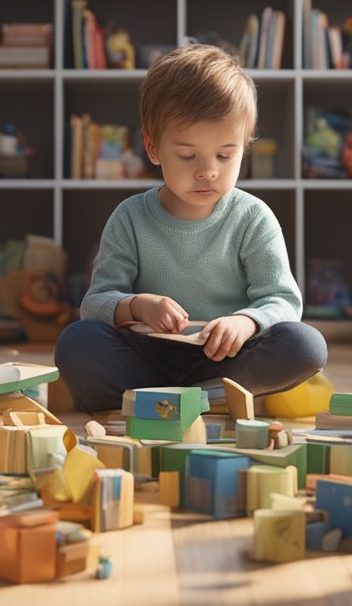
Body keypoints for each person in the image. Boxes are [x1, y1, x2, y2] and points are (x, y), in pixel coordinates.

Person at [55, 44, 328, 413]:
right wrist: (137, 306)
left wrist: (245, 322)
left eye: (225, 155)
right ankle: (193, 400)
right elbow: (96, 303)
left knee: (306, 345)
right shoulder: (130, 217)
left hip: (225, 360)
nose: (208, 170)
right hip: (146, 357)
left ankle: (189, 398)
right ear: (153, 148)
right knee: (77, 343)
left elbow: (283, 301)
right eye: (187, 155)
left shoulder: (253, 217)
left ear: (243, 149)